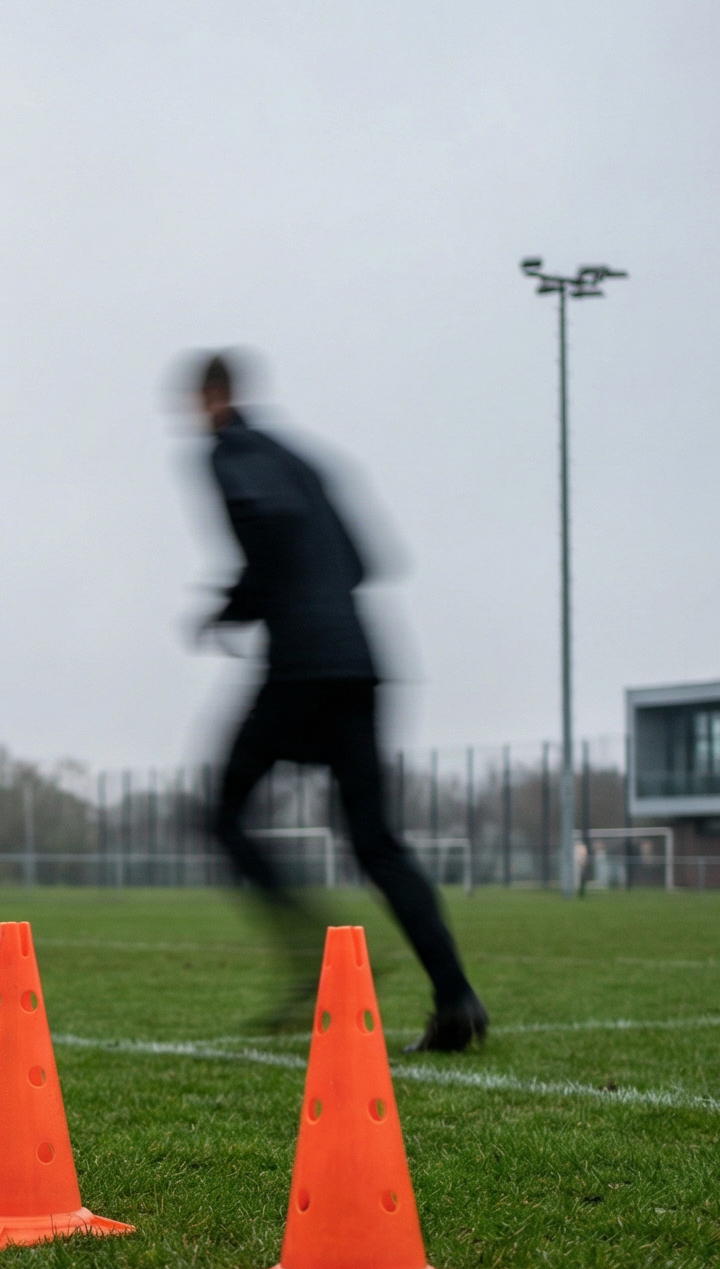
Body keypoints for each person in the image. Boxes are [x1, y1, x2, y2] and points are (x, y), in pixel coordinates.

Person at [187, 351, 489, 1053]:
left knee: (222, 813)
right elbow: (363, 559)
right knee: (375, 840)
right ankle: (457, 999)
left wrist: (233, 605)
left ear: (210, 398)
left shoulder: (228, 452)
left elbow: (270, 526)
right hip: (359, 659)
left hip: (301, 667)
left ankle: (316, 957)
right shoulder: (300, 458)